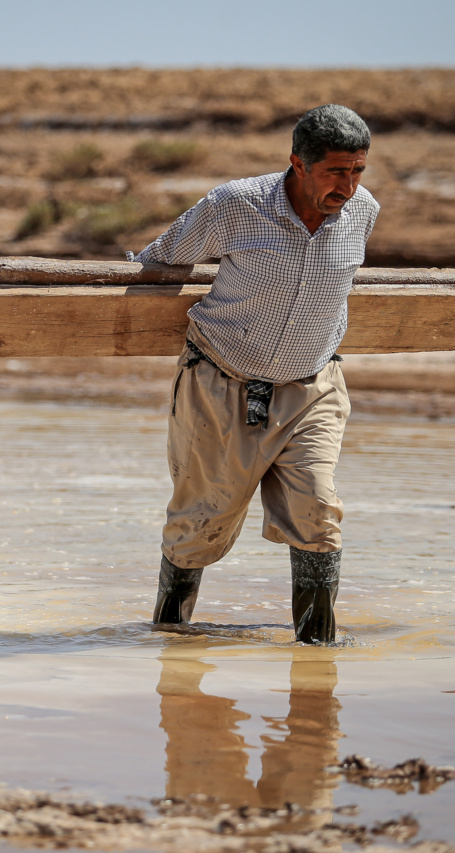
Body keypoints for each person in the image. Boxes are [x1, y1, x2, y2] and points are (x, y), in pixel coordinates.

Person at [132, 104, 378, 644]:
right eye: (337, 171)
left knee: (318, 512)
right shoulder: (234, 205)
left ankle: (317, 651)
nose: (350, 186)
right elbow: (161, 259)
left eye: (358, 170)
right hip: (218, 383)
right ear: (298, 162)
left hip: (311, 389)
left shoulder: (364, 211)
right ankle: (171, 644)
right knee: (197, 525)